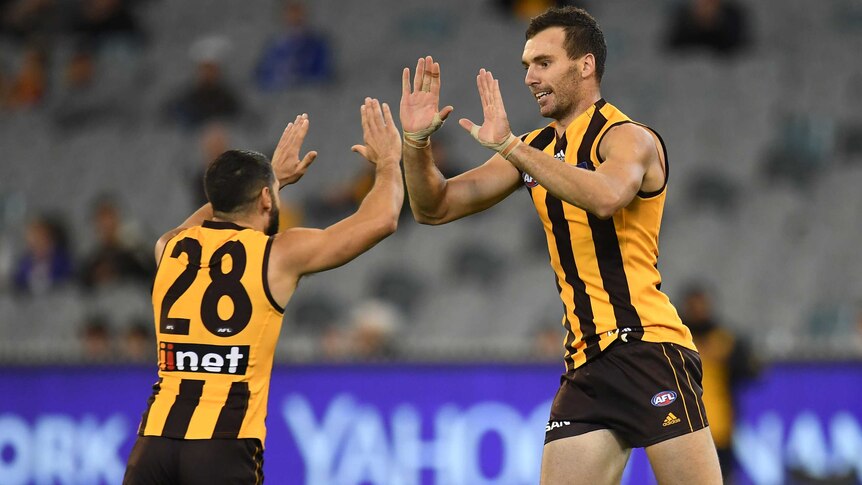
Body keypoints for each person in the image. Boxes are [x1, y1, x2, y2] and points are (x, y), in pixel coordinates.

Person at [399, 6, 722, 484]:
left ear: (585, 65)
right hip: (586, 364)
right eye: (527, 66)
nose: (530, 77)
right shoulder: (534, 148)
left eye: (543, 63)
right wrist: (416, 144)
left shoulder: (628, 138)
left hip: (647, 348)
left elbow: (608, 196)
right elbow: (435, 207)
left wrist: (511, 148)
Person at [123, 98, 403, 484]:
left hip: (153, 442)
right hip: (223, 445)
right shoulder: (277, 255)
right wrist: (389, 161)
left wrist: (267, 180)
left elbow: (209, 214)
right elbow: (383, 218)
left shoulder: (169, 248)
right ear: (267, 199)